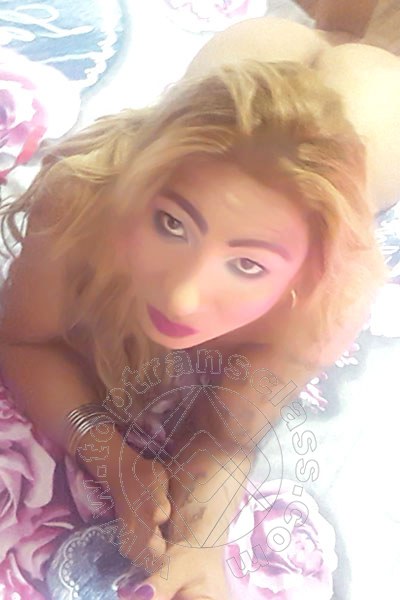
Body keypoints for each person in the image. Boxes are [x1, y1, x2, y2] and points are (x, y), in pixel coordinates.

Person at [0, 14, 393, 600]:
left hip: (378, 107)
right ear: (141, 184)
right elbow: (23, 339)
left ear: (301, 272)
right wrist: (114, 459)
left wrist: (200, 546)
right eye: (170, 223)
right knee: (302, 29)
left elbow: (229, 434)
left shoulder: (326, 294)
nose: (182, 297)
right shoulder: (85, 191)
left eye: (248, 264)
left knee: (380, 43)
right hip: (253, 54)